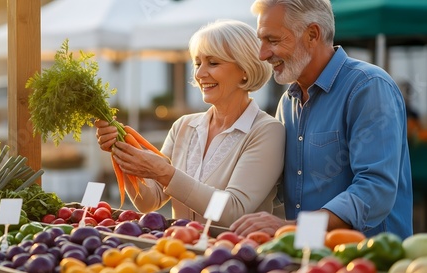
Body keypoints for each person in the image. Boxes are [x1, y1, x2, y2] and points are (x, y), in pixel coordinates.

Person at [230, 0, 413, 240]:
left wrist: (293, 229)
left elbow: (375, 191)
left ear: (312, 34)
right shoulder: (288, 102)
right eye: (261, 41)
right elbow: (274, 189)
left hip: (367, 259)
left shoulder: (368, 87)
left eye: (272, 40)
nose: (262, 54)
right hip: (307, 256)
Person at [95, 19, 285, 227]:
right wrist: (123, 152)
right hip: (180, 250)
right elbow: (149, 201)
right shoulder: (183, 126)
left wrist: (166, 173)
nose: (200, 74)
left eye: (213, 63)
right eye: (197, 63)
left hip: (234, 254)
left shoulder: (267, 131)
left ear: (245, 70)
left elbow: (233, 210)